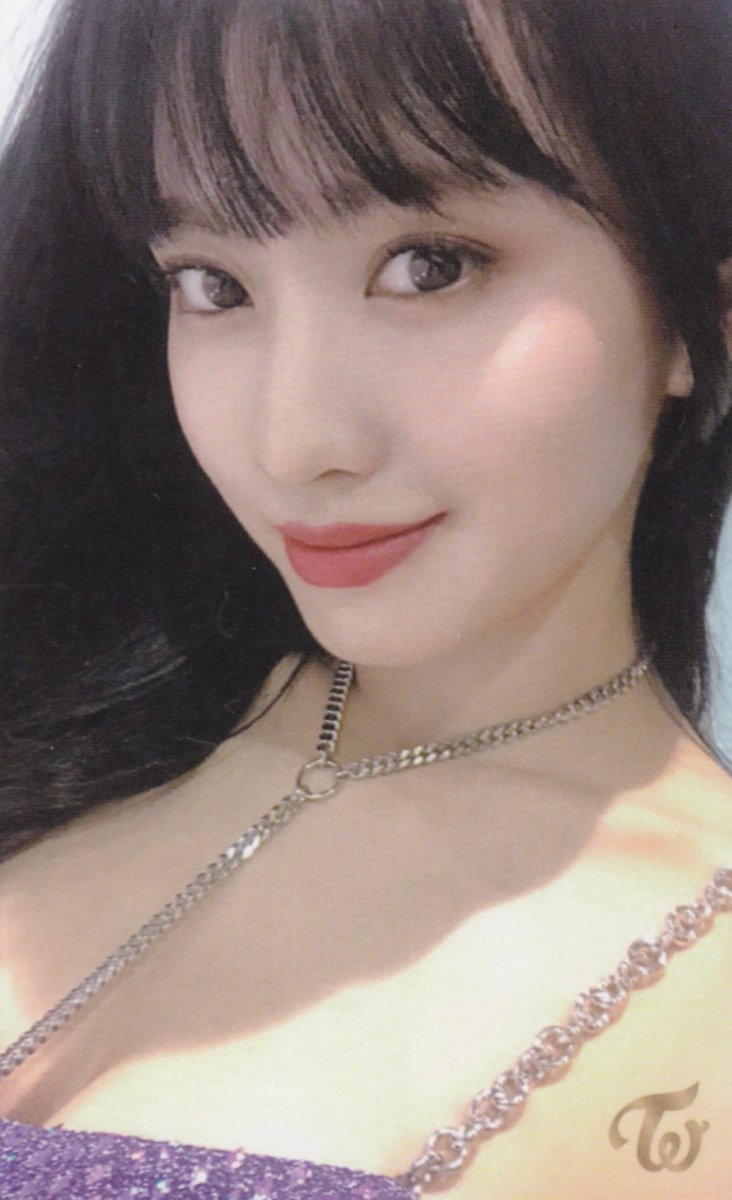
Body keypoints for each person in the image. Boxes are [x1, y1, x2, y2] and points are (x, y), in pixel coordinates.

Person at [0, 0, 731, 1195]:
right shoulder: (80, 711)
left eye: (429, 265)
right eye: (211, 283)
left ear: (702, 314)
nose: (294, 443)